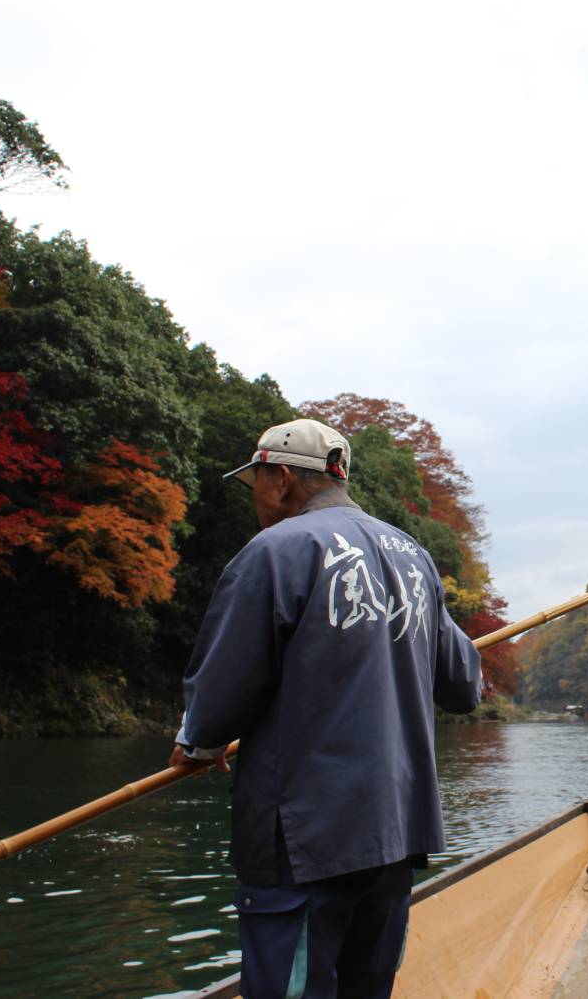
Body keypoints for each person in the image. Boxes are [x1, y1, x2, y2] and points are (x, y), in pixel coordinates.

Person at [170, 418, 483, 999]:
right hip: (397, 830)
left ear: (284, 477)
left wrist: (198, 742)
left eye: (256, 483)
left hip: (307, 837)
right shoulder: (413, 555)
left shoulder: (274, 552)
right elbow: (464, 686)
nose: (256, 499)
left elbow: (219, 698)